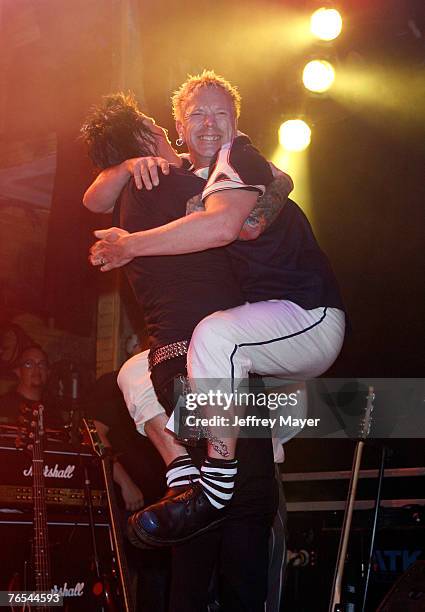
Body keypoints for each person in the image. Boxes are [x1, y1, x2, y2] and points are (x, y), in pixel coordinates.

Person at [88, 70, 346, 547]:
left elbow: (224, 228)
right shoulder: (189, 169)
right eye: (195, 116)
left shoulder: (238, 158)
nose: (208, 124)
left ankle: (216, 485)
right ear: (178, 127)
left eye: (219, 114)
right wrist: (126, 166)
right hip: (266, 326)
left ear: (236, 123)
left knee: (214, 335)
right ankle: (184, 472)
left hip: (307, 314)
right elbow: (94, 196)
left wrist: (130, 246)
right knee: (132, 374)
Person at [81, 91, 283, 610]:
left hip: (176, 361)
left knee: (198, 518)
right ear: (148, 138)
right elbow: (229, 220)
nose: (171, 137)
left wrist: (123, 164)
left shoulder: (136, 191)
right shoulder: (166, 182)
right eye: (157, 127)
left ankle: (179, 473)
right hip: (215, 362)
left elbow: (94, 199)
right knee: (247, 505)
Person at [0, 344, 61, 428]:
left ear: (48, 372)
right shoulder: (4, 405)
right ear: (18, 371)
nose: (37, 369)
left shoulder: (53, 412)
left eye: (41, 364)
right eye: (29, 364)